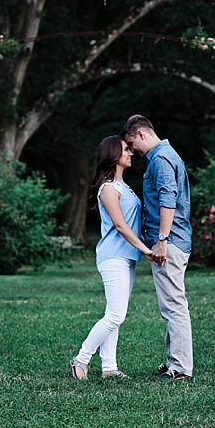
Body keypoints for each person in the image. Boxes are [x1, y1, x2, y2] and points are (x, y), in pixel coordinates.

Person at [70, 135, 155, 380]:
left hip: (126, 258)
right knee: (116, 315)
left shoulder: (124, 186)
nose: (131, 152)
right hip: (113, 257)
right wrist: (146, 249)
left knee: (114, 314)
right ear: (113, 154)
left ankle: (109, 367)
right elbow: (120, 225)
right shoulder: (108, 187)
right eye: (126, 149)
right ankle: (81, 359)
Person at [121, 115, 193, 381]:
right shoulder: (164, 155)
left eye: (131, 143)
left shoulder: (161, 159)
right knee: (170, 304)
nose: (131, 151)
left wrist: (161, 239)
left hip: (170, 241)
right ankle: (173, 360)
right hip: (173, 239)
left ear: (141, 134)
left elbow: (167, 199)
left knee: (174, 304)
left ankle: (180, 368)